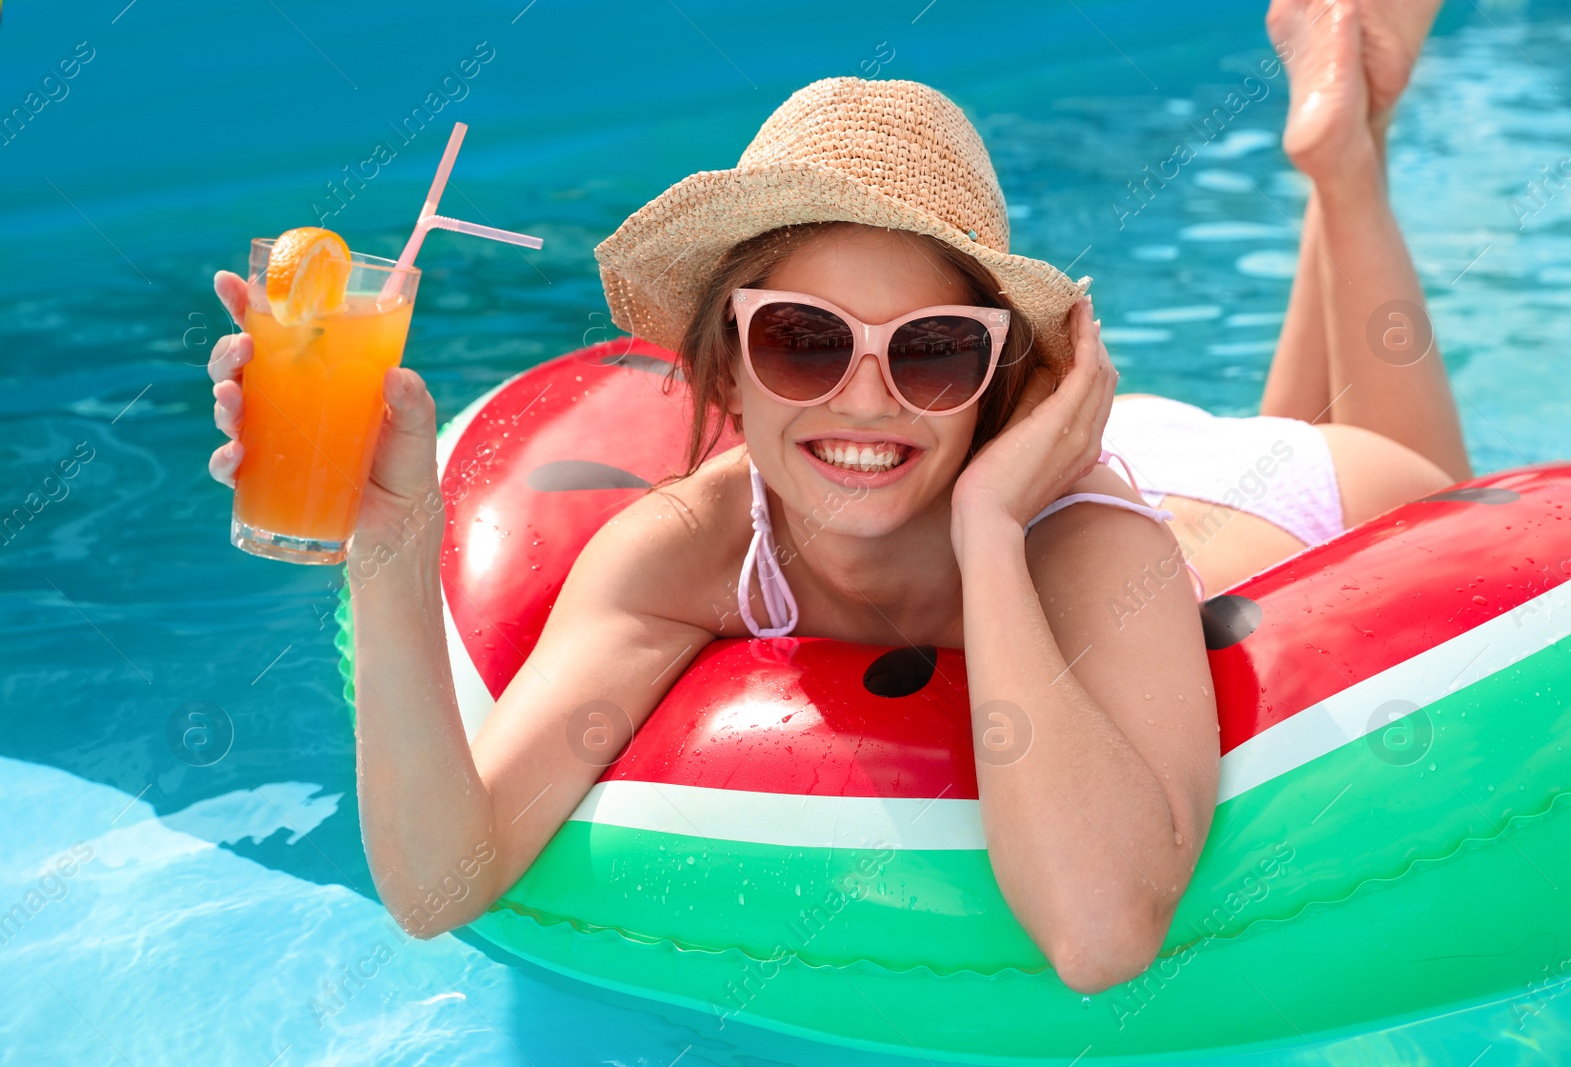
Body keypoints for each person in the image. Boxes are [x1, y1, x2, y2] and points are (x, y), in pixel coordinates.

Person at [205, 0, 1463, 994]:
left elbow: (1099, 937)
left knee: (1395, 471)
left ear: (991, 380)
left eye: (930, 349)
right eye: (804, 340)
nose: (865, 398)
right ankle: (1337, 144)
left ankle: (1345, 159)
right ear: (723, 373)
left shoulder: (1080, 549)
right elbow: (441, 881)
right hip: (1044, 463)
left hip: (1245, 507)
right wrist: (389, 541)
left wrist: (987, 528)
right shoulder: (684, 553)